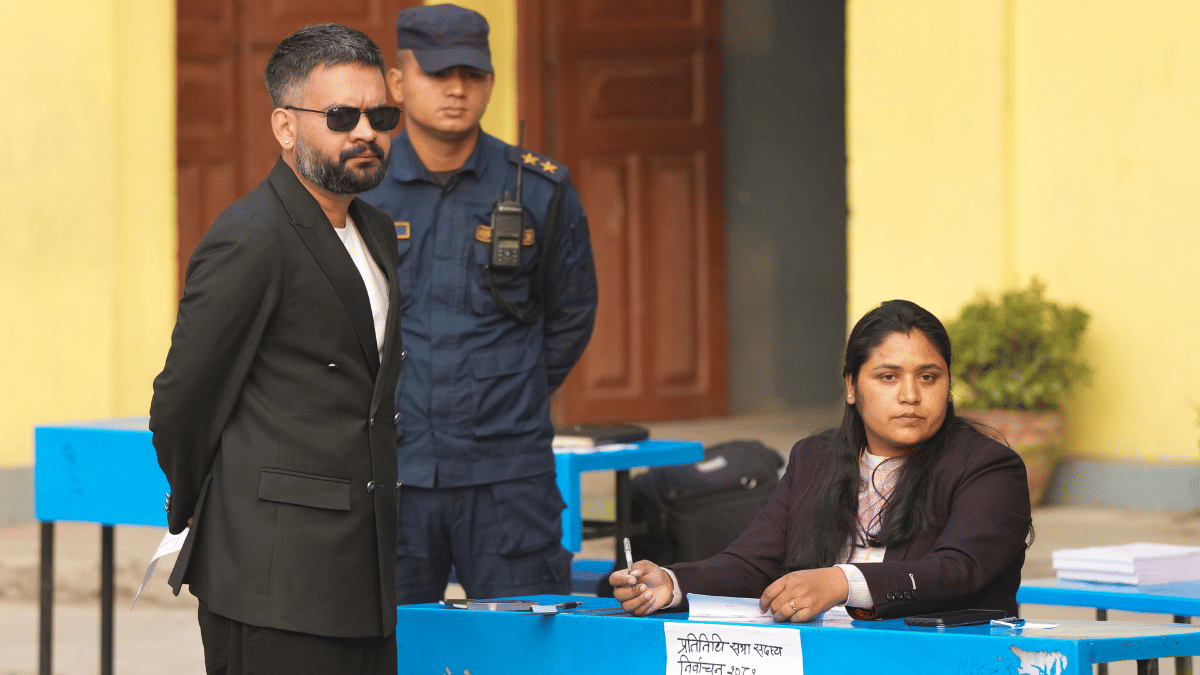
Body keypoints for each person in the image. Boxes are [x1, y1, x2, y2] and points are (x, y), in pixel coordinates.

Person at [150, 23, 404, 674]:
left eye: (381, 115)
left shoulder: (375, 229)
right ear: (285, 127)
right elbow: (183, 403)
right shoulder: (251, 238)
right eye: (341, 115)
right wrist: (211, 505)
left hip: (363, 576)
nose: (365, 132)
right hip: (272, 583)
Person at [361, 3, 598, 603]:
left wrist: (506, 387)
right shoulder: (361, 191)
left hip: (507, 476)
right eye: (438, 74)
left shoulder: (540, 190)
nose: (457, 90)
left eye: (473, 74)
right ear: (397, 81)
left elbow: (570, 314)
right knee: (387, 648)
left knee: (520, 646)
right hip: (391, 468)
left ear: (491, 80)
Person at [610, 299, 1033, 622]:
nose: (910, 396)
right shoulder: (815, 458)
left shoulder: (989, 467)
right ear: (852, 386)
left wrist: (840, 582)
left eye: (928, 377)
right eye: (888, 377)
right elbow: (756, 563)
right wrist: (673, 583)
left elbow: (959, 570)